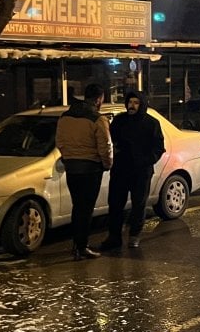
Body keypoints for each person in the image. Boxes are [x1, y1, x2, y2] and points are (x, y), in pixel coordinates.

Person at [100, 90, 165, 250]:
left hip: (141, 172)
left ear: (142, 104)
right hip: (121, 170)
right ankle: (114, 236)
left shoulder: (151, 123)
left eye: (136, 103)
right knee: (115, 204)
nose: (132, 106)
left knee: (139, 205)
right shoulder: (120, 121)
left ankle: (134, 235)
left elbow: (158, 148)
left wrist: (145, 160)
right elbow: (110, 141)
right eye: (130, 102)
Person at [55, 83, 113, 260]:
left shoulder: (65, 117)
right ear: (98, 99)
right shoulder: (97, 119)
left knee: (77, 207)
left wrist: (68, 158)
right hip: (90, 169)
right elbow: (105, 146)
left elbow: (60, 141)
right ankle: (82, 247)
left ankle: (77, 244)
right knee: (86, 209)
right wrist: (107, 164)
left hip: (72, 168)